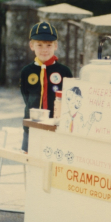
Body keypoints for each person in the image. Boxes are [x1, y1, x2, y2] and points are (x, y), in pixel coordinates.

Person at [20, 22, 72, 152]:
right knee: (31, 160)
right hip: (32, 126)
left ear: (56, 46)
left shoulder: (64, 72)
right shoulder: (26, 71)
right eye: (39, 45)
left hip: (56, 127)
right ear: (31, 46)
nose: (44, 49)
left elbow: (69, 98)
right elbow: (26, 96)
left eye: (49, 45)